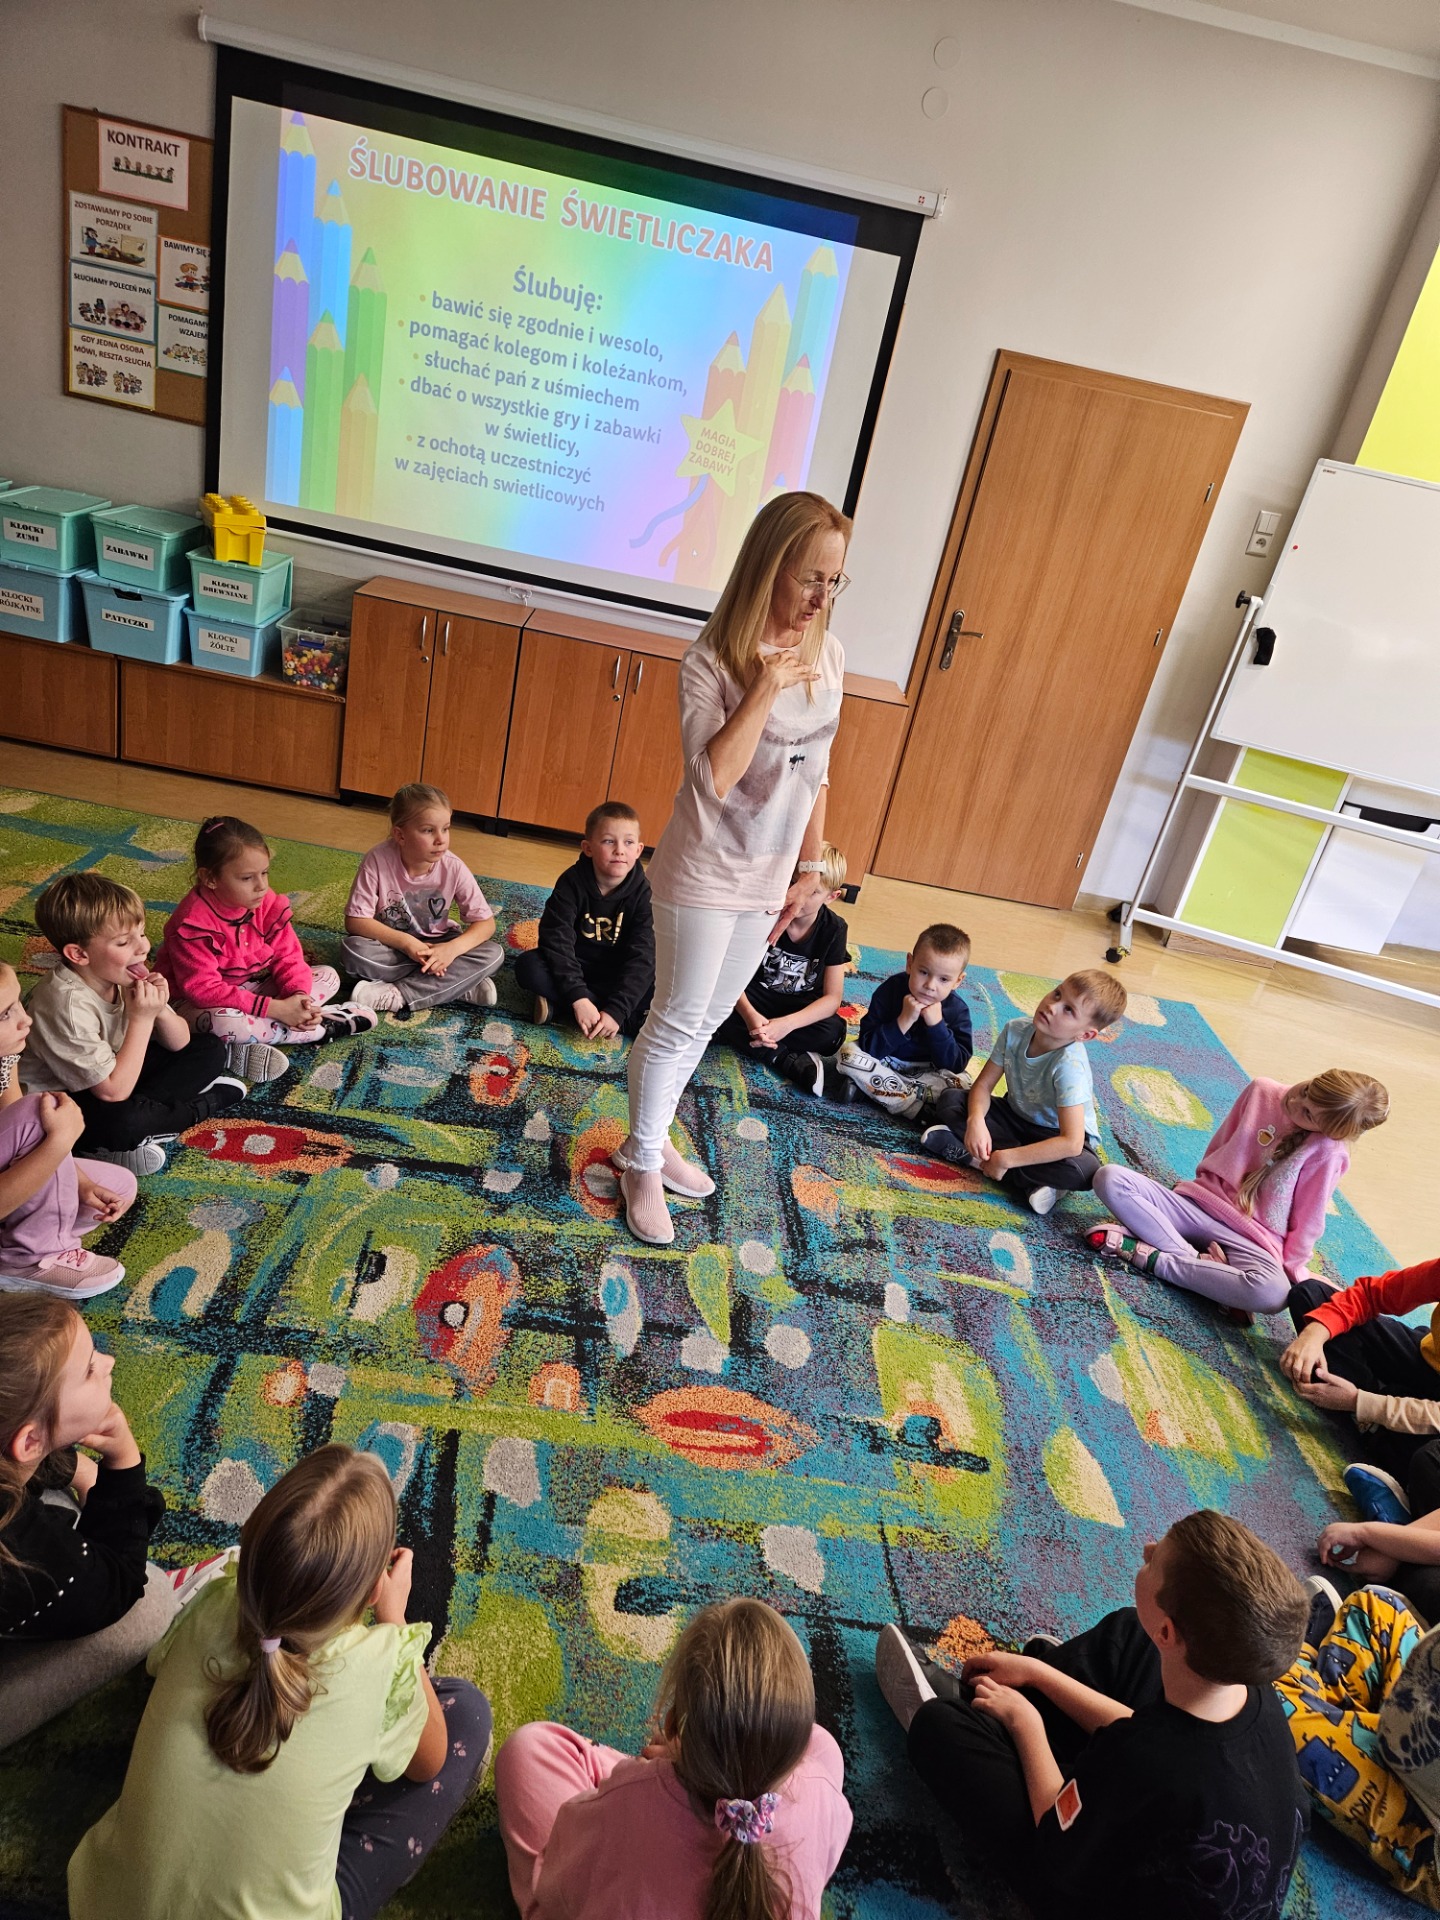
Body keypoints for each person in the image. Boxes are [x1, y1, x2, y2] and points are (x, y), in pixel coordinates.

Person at [68, 1443, 492, 1920]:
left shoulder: (213, 1602)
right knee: (465, 1713)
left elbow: (158, 1667)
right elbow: (428, 1762)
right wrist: (395, 1623)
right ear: (375, 1588)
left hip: (100, 1905)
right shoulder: (379, 1661)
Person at [614, 492, 851, 1246]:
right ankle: (639, 1163)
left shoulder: (830, 656)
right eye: (809, 578)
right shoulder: (710, 661)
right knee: (677, 1017)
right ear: (767, 567)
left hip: (770, 879)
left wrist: (811, 868)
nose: (821, 598)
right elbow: (712, 778)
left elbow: (818, 770)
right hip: (705, 873)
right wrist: (766, 686)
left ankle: (651, 1139)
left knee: (711, 1016)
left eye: (835, 581)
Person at [876, 1510, 1309, 1919]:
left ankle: (977, 1712)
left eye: (1155, 1560)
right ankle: (1026, 1693)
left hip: (1085, 1881)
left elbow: (1056, 1834)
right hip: (1169, 1805)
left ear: (1168, 1629)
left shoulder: (1146, 1759)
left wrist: (1025, 1723)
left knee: (940, 1729)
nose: (1146, 1548)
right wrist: (1041, 1675)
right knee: (1131, 1634)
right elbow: (1142, 1729)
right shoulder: (1251, 1689)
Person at [495, 1596, 852, 1920]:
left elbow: (559, 1880)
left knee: (528, 1749)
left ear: (672, 1724)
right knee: (825, 1747)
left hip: (623, 1827)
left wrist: (654, 1775)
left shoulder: (624, 1806)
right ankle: (708, 1763)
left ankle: (685, 1766)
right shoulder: (819, 1794)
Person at [0, 1294, 182, 1744]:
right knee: (150, 1605)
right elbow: (119, 1581)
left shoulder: (22, 1448)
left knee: (60, 1495)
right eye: (88, 1369)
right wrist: (122, 1456)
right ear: (30, 1441)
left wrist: (77, 1469)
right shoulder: (23, 1554)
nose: (109, 1362)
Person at [1086, 1068, 1388, 1315]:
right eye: (1307, 1089)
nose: (1296, 1101)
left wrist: (1293, 1269)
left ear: (1328, 1131)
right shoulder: (1261, 1090)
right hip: (1196, 1204)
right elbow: (1220, 1145)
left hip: (1253, 1239)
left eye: (1308, 1113)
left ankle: (1154, 1259)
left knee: (1273, 1294)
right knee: (1109, 1178)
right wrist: (1198, 1189)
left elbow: (1309, 1217)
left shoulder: (1329, 1151)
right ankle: (1206, 1269)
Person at [24, 873, 247, 1178]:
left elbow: (180, 1043)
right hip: (60, 1105)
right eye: (123, 942)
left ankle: (148, 1126)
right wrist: (142, 1019)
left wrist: (161, 1009)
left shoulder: (115, 972)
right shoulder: (65, 1005)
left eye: (141, 934)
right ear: (79, 954)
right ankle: (196, 1107)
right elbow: (113, 1092)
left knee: (209, 1048)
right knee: (125, 1122)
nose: (143, 947)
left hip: (114, 1073)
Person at [1275, 1581, 1440, 1908]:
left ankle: (1305, 1679)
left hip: (1428, 1829)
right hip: (1414, 1723)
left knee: (1262, 1711)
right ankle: (1317, 1691)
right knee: (1378, 1604)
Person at [1281, 1253, 1440, 1585]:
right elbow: (1373, 1294)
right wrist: (1316, 1334)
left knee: (1427, 1460)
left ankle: (1375, 1433)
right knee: (1311, 1297)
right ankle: (1378, 1429)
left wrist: (1359, 1401)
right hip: (1426, 1362)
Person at [157, 814, 375, 1051]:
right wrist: (275, 1008)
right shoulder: (191, 924)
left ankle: (258, 1034)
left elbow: (288, 957)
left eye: (264, 873)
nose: (261, 886)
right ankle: (320, 1030)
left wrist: (299, 998)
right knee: (224, 1023)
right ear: (209, 878)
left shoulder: (265, 902)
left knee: (328, 977)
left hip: (248, 989)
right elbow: (203, 990)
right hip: (191, 1005)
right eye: (247, 878)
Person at [923, 970, 1125, 1217]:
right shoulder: (1015, 1030)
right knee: (951, 1100)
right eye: (1057, 993)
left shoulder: (1070, 1066)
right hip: (1014, 1117)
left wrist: (1007, 1159)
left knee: (1085, 1171)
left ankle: (978, 1159)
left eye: (1068, 1010)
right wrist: (976, 1121)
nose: (1052, 1006)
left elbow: (1071, 1143)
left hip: (1055, 1136)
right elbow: (983, 1086)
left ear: (1085, 1035)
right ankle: (1030, 1180)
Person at [0, 962, 134, 1297]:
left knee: (117, 1186)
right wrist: (60, 1141)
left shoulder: (5, 1055)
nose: (25, 1019)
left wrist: (82, 1182)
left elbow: (13, 1127)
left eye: (17, 1003)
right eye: (5, 1014)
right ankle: (28, 1259)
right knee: (38, 1112)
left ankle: (23, 1241)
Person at [342, 783, 505, 1013]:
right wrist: (407, 944)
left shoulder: (453, 866)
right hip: (393, 945)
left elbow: (486, 924)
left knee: (494, 954)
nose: (441, 839)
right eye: (429, 830)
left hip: (441, 943)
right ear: (400, 835)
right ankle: (457, 984)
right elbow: (355, 921)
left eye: (446, 829)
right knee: (353, 951)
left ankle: (399, 994)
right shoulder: (377, 860)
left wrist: (451, 950)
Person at [713, 842, 850, 1096]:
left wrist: (787, 1025)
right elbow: (729, 972)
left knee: (833, 1034)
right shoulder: (766, 913)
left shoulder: (835, 929)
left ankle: (740, 1035)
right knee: (712, 997)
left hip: (796, 1008)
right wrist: (749, 1015)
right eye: (793, 883)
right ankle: (782, 1056)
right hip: (752, 998)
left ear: (832, 897)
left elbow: (832, 998)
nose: (798, 895)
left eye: (812, 892)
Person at [516, 801, 654, 1037]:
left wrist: (617, 1009)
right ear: (588, 848)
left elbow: (643, 955)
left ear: (639, 850)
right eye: (609, 841)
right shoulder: (571, 883)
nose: (620, 850)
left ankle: (566, 1009)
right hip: (574, 965)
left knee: (661, 979)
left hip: (616, 974)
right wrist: (579, 997)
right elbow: (556, 940)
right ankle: (594, 1012)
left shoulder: (644, 894)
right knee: (528, 967)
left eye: (628, 842)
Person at [833, 922, 972, 1117]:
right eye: (923, 972)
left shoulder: (958, 1010)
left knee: (963, 1087)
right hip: (886, 1062)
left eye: (944, 979)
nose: (930, 985)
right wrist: (903, 1021)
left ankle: (872, 1091)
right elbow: (869, 1046)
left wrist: (937, 1026)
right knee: (847, 1054)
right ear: (910, 964)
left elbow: (956, 1065)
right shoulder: (890, 990)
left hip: (928, 1074)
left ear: (958, 981)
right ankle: (914, 1107)